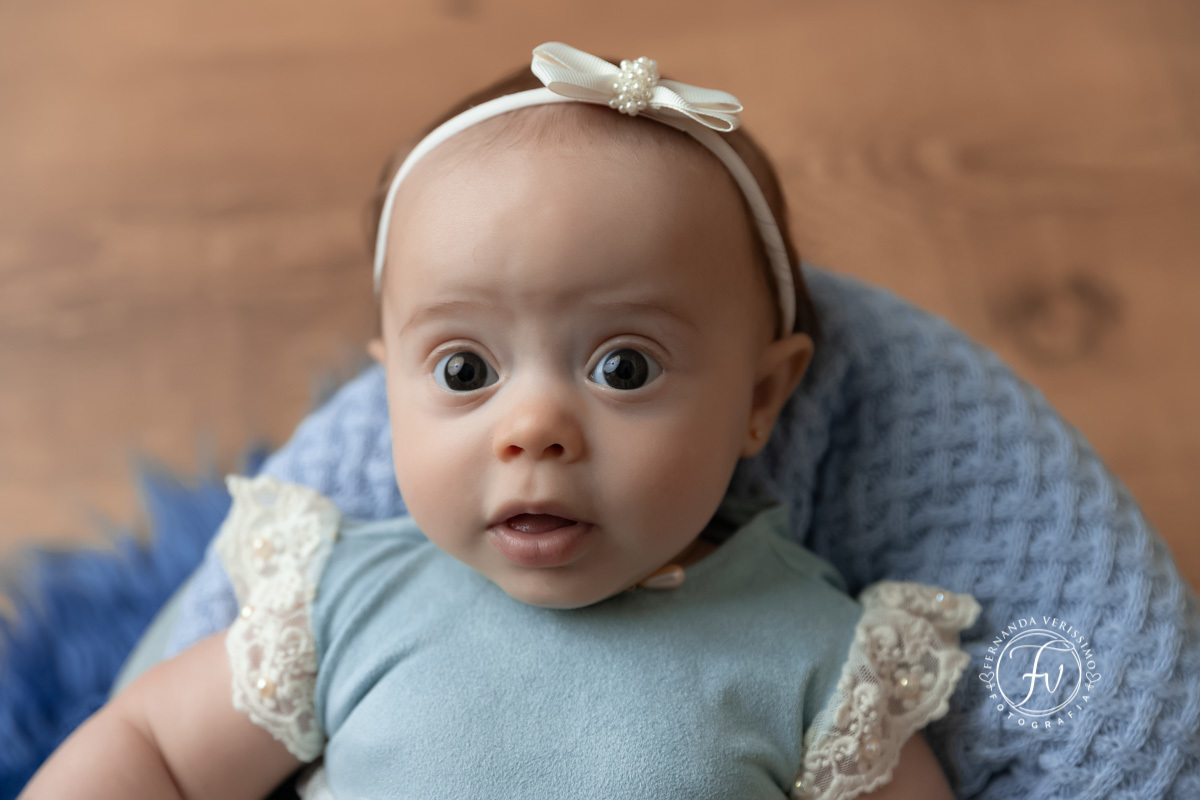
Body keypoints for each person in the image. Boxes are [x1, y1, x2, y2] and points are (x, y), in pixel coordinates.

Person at [22, 42, 981, 799]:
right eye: (466, 370)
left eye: (623, 367)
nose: (534, 428)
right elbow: (153, 752)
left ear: (759, 401)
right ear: (389, 393)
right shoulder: (351, 603)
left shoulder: (815, 659)